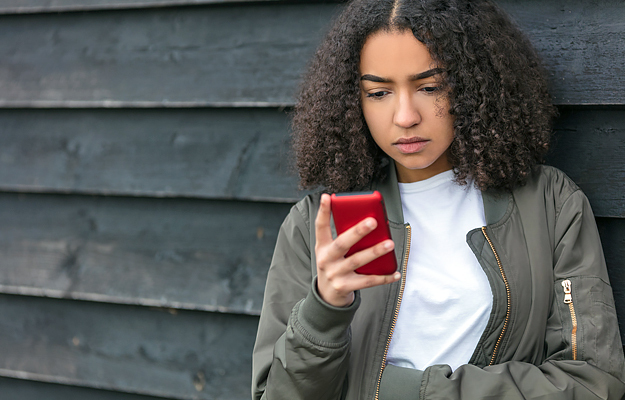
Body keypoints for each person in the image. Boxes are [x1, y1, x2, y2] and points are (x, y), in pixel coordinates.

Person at [251, 0, 625, 398]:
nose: (405, 116)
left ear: (473, 83)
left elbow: (592, 382)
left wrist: (411, 392)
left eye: (430, 87)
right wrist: (325, 307)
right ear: (353, 101)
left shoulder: (550, 204)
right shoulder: (316, 226)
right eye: (378, 92)